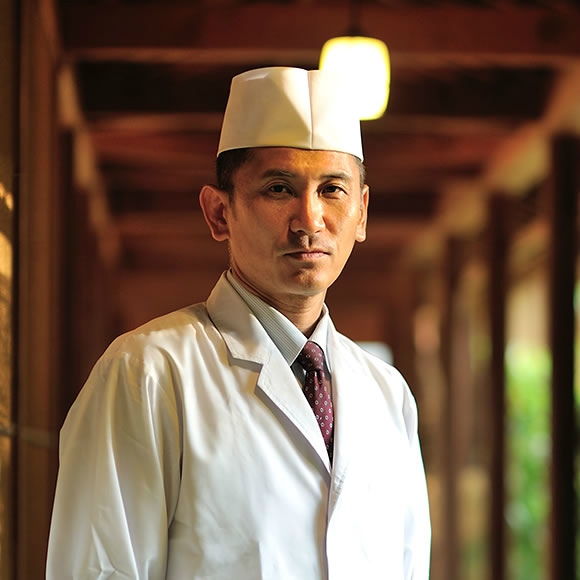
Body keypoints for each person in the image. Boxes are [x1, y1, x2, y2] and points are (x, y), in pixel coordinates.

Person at [46, 67, 431, 580]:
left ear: (361, 212)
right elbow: (98, 569)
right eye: (279, 188)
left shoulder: (388, 395)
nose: (309, 220)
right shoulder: (148, 374)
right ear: (219, 212)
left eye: (332, 189)